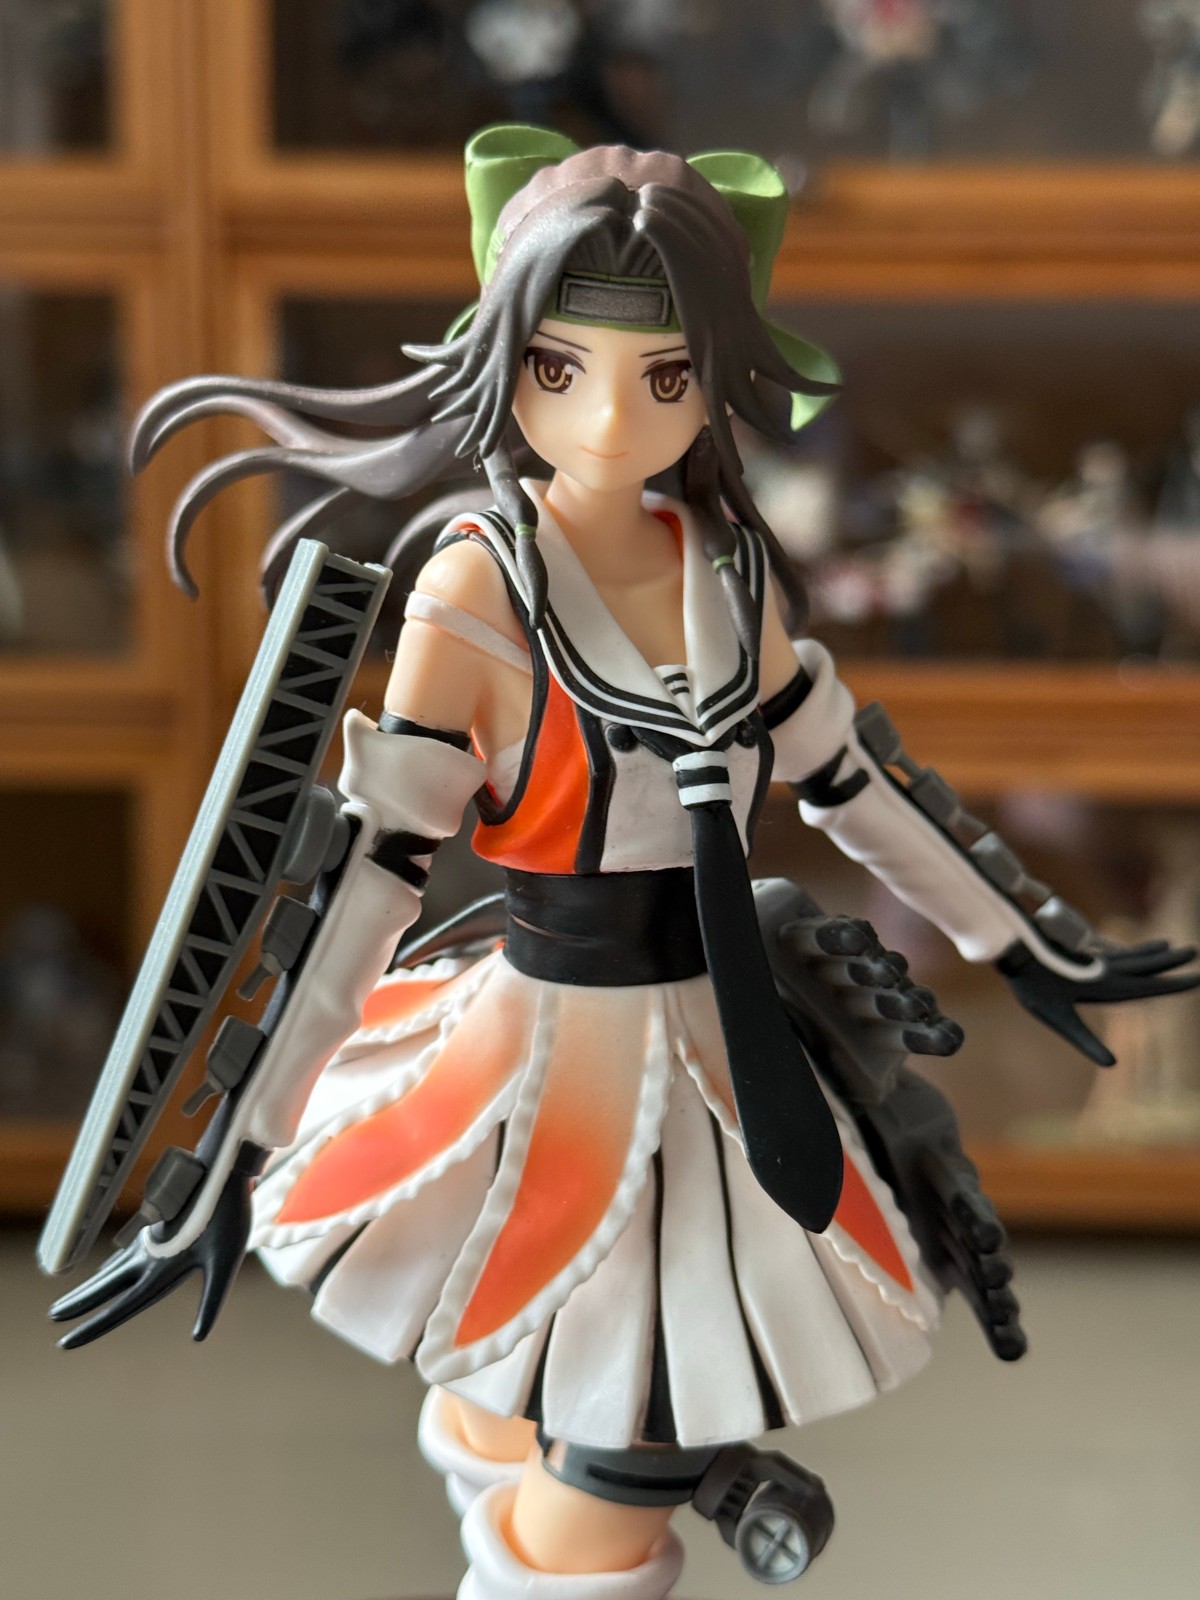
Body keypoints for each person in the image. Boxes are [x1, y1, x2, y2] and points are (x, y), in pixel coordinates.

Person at [50, 126, 1198, 1599]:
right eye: (560, 367)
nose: (607, 418)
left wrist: (1029, 938)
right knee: (610, 1448)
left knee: (580, 1402)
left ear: (719, 380)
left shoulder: (724, 562)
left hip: (719, 1041)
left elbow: (849, 774)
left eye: (664, 378)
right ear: (507, 358)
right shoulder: (477, 583)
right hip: (538, 1048)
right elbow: (366, 878)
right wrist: (226, 1151)